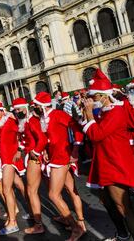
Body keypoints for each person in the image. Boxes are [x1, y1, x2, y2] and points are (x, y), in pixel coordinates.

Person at [81, 69, 134, 241]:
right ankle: (122, 234)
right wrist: (87, 115)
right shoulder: (105, 111)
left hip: (115, 164)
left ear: (103, 95)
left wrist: (88, 114)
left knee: (123, 206)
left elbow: (96, 135)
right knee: (107, 203)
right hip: (105, 162)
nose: (91, 101)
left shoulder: (116, 112)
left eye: (93, 97)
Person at [33, 92, 86, 241]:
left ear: (42, 105)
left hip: (62, 157)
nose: (34, 108)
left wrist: (75, 148)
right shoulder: (44, 118)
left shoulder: (57, 114)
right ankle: (77, 221)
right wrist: (44, 150)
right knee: (70, 190)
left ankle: (76, 228)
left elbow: (76, 127)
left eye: (36, 105)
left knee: (53, 195)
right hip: (55, 156)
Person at [12, 98, 48, 234]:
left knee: (31, 191)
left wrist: (36, 151)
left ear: (25, 108)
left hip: (34, 158)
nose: (17, 112)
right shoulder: (24, 121)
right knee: (48, 192)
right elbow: (24, 139)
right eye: (15, 110)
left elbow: (43, 139)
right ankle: (67, 220)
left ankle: (38, 225)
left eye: (19, 109)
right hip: (32, 157)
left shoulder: (31, 121)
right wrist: (20, 149)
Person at [0, 101, 26, 236]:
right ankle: (32, 213)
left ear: (3, 111)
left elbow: (23, 133)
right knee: (16, 186)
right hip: (4, 160)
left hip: (10, 161)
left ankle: (13, 222)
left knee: (6, 189)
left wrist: (19, 150)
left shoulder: (10, 122)